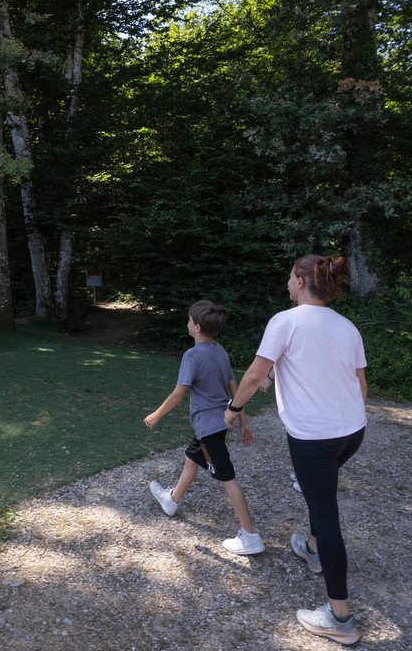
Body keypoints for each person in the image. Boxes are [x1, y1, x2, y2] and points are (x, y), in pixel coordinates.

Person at [225, 255, 367, 645]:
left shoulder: (284, 321)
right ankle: (312, 547)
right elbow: (360, 384)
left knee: (325, 508)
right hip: (352, 432)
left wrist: (234, 408)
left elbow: (255, 373)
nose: (287, 282)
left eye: (290, 276)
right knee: (318, 491)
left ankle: (340, 618)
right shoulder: (346, 326)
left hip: (313, 438)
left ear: (303, 281)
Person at [144, 300, 264, 556]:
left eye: (188, 320)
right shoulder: (220, 351)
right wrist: (243, 422)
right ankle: (172, 500)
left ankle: (250, 535)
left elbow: (178, 394)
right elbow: (236, 390)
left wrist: (156, 414)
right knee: (191, 457)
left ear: (197, 327)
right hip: (216, 425)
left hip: (209, 428)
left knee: (227, 478)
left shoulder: (192, 356)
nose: (187, 323)